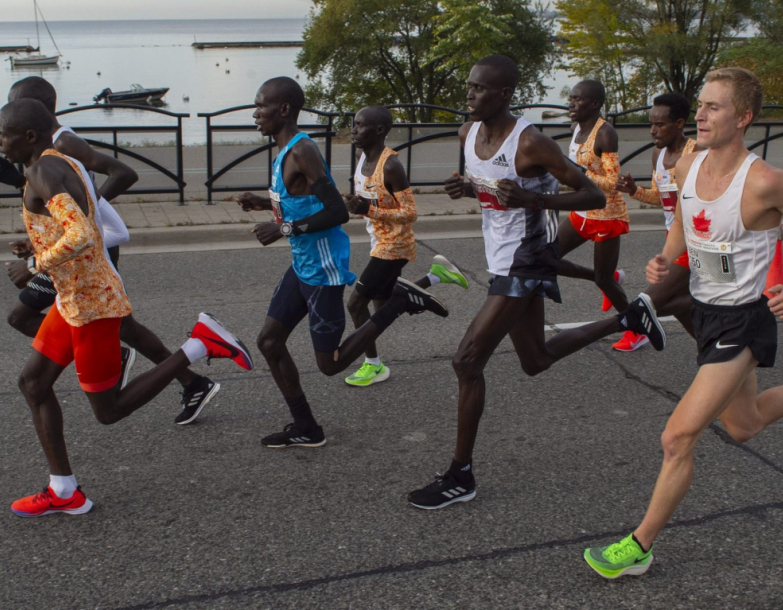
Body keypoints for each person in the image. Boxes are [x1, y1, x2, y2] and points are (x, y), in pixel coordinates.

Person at [582, 68, 783, 579]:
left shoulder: (767, 181)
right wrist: (666, 259)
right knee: (745, 425)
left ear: (743, 117)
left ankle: (639, 546)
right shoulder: (687, 164)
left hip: (748, 318)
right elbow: (684, 220)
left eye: (714, 107)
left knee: (678, 436)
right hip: (707, 310)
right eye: (700, 104)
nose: (700, 114)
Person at [407, 55, 666, 510]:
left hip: (526, 259)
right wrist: (467, 190)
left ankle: (460, 475)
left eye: (479, 89)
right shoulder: (467, 133)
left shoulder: (530, 143)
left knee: (467, 362)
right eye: (468, 86)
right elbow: (485, 184)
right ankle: (630, 317)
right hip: (500, 255)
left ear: (504, 95)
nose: (469, 95)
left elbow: (592, 193)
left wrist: (534, 197)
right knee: (536, 359)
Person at [0, 98, 253, 517]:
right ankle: (64, 490)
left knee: (109, 411)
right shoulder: (57, 162)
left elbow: (80, 233)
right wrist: (39, 242)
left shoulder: (45, 169)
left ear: (27, 136)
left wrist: (32, 264)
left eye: (4, 134)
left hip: (92, 304)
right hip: (73, 299)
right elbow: (80, 224)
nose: (0, 143)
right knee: (33, 384)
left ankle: (201, 345)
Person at [237, 78, 449, 448]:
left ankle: (399, 303)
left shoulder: (303, 150)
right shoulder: (284, 150)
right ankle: (306, 427)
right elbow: (304, 200)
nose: (255, 113)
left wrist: (283, 227)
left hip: (323, 270)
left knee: (330, 364)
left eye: (260, 106)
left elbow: (336, 212)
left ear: (284, 109)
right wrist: (263, 202)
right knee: (269, 342)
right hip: (303, 263)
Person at [7, 76, 219, 425]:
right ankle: (191, 379)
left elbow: (123, 173)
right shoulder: (45, 153)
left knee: (22, 317)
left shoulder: (64, 144)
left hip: (85, 258)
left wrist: (82, 218)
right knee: (126, 330)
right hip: (76, 255)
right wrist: (53, 231)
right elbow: (64, 217)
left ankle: (182, 361)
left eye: (16, 110)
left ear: (37, 116)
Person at [343, 106, 469, 387]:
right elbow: (366, 197)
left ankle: (373, 365)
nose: (353, 130)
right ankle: (436, 276)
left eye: (360, 125)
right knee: (384, 304)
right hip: (377, 239)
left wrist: (369, 208)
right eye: (353, 124)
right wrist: (354, 203)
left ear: (378, 131)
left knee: (355, 304)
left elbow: (411, 213)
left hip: (395, 244)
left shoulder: (391, 166)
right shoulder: (360, 155)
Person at [556, 80, 643, 347]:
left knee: (604, 279)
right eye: (570, 98)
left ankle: (637, 330)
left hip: (607, 214)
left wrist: (579, 173)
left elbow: (614, 181)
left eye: (578, 100)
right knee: (546, 255)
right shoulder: (574, 129)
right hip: (582, 210)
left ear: (594, 104)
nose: (571, 104)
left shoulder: (605, 133)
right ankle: (607, 277)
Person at [616, 92, 699, 341]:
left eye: (660, 125)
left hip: (696, 241)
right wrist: (634, 191)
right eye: (651, 124)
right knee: (677, 302)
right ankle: (711, 347)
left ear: (680, 124)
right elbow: (659, 197)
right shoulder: (658, 154)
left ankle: (633, 331)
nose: (653, 131)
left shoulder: (698, 153)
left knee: (650, 302)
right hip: (672, 239)